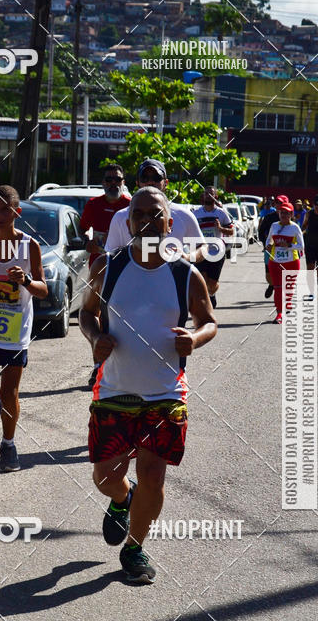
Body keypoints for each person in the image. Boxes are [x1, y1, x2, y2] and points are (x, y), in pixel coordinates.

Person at [80, 187, 217, 583]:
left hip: (165, 392)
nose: (146, 220)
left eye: (155, 214)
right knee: (105, 476)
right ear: (128, 221)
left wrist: (194, 339)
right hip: (114, 390)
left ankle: (134, 549)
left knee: (154, 475)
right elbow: (86, 315)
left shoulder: (185, 274)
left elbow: (209, 321)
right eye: (138, 214)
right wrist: (94, 339)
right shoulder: (108, 267)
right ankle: (123, 499)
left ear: (169, 223)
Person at [0, 185, 48, 472]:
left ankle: (9, 444)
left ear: (17, 211)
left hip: (15, 327)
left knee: (9, 392)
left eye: (5, 209)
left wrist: (25, 280)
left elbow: (42, 291)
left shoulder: (30, 246)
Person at [80, 163, 131, 387]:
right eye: (109, 179)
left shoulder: (130, 206)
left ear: (123, 182)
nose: (113, 183)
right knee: (96, 318)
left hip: (127, 270)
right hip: (99, 270)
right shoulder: (93, 204)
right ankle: (97, 367)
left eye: (117, 179)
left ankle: (126, 367)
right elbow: (82, 229)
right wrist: (87, 242)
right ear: (103, 183)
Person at [105, 158, 203, 258]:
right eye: (145, 178)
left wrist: (188, 257)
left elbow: (202, 247)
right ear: (137, 182)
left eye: (156, 178)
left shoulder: (184, 215)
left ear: (166, 182)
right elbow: (110, 256)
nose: (150, 182)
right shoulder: (120, 217)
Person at [192, 185, 234, 308]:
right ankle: (205, 301)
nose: (208, 195)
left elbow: (231, 232)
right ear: (203, 196)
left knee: (212, 283)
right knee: (202, 279)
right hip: (201, 250)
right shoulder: (196, 213)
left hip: (217, 251)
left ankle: (212, 294)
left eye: (211, 193)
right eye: (206, 193)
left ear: (216, 196)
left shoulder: (221, 213)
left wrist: (221, 228)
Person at [265, 202, 304, 323]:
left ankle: (287, 304)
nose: (284, 215)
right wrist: (269, 245)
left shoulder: (295, 227)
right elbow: (268, 240)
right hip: (275, 261)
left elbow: (301, 246)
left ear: (291, 214)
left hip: (291, 262)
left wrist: (289, 245)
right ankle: (279, 314)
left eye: (287, 213)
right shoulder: (274, 225)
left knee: (288, 288)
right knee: (277, 288)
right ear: (279, 213)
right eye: (282, 212)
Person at [259, 195, 290, 298]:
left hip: (286, 251)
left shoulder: (290, 219)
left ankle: (282, 294)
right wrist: (265, 244)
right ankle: (272, 285)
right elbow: (261, 231)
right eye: (276, 203)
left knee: (284, 273)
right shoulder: (269, 218)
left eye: (280, 203)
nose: (277, 205)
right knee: (268, 275)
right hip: (270, 250)